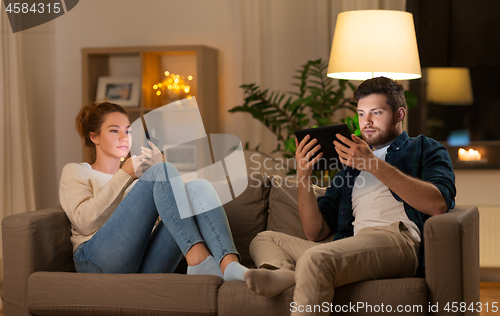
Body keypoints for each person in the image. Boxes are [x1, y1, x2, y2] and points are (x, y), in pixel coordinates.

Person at [242, 77, 456, 315]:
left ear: (399, 114)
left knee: (316, 259)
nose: (367, 122)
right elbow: (315, 232)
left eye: (376, 112)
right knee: (263, 239)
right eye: (361, 114)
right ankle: (285, 274)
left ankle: (300, 272)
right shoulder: (351, 167)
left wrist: (373, 164)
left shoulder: (425, 148)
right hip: (354, 242)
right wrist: (304, 174)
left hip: (399, 239)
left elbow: (438, 204)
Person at [60, 101, 248, 280]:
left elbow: (173, 220)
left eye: (128, 130)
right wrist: (125, 175)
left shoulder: (140, 179)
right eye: (114, 130)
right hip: (95, 262)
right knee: (161, 171)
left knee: (198, 186)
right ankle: (198, 259)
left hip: (143, 263)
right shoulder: (77, 171)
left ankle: (229, 264)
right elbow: (83, 222)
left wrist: (166, 170)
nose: (124, 137)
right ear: (95, 137)